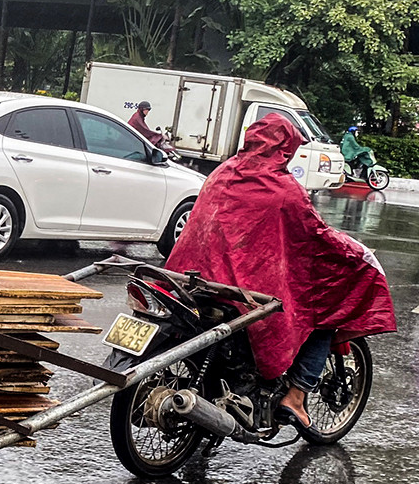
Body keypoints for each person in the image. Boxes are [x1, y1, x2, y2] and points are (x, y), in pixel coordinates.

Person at [166, 113, 395, 427]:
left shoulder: (222, 172)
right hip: (241, 290)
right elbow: (316, 236)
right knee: (321, 314)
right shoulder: (284, 189)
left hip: (192, 278)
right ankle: (296, 397)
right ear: (285, 148)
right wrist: (355, 252)